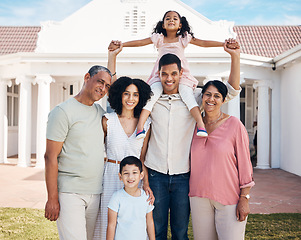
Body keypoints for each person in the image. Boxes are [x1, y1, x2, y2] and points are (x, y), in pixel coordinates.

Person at [143, 44, 242, 239]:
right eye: (164, 74)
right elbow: (120, 92)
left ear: (181, 73)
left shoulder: (195, 97)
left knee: (180, 233)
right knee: (157, 230)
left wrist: (234, 57)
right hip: (155, 174)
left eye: (174, 73)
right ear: (159, 74)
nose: (169, 79)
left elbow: (231, 91)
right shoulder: (150, 98)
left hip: (183, 177)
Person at [109, 10, 239, 139]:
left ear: (180, 25)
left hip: (182, 77)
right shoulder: (159, 38)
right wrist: (122, 45)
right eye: (168, 18)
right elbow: (140, 42)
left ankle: (200, 125)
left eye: (175, 18)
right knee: (151, 97)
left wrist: (223, 44)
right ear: (163, 24)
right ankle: (140, 127)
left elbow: (203, 43)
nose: (171, 20)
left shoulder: (183, 38)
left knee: (187, 95)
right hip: (159, 74)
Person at [44, 45, 122, 240]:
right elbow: (50, 156)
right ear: (87, 77)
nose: (103, 89)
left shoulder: (101, 115)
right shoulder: (62, 112)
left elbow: (118, 97)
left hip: (96, 192)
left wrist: (111, 57)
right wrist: (52, 198)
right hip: (70, 193)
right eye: (100, 82)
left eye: (107, 86)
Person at [92, 44, 154, 240]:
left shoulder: (146, 124)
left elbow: (142, 157)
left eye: (135, 94)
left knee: (132, 225)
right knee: (107, 226)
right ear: (120, 94)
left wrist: (146, 184)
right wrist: (112, 56)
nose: (131, 98)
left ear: (141, 97)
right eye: (126, 93)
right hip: (111, 176)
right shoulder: (107, 121)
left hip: (135, 179)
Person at [189, 80, 255, 240]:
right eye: (208, 95)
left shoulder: (234, 125)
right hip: (198, 196)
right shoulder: (192, 125)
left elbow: (245, 164)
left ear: (223, 100)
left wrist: (244, 198)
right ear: (202, 97)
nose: (211, 99)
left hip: (229, 198)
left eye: (217, 96)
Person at [106, 156, 155, 240]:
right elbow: (111, 225)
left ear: (141, 175)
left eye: (134, 172)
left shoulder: (146, 197)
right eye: (126, 173)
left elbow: (150, 222)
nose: (130, 177)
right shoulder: (116, 197)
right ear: (120, 176)